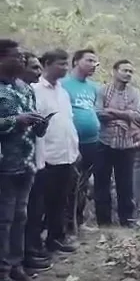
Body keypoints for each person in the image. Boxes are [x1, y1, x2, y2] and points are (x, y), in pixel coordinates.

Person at [0, 39, 49, 281]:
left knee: (20, 216)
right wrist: (15, 120)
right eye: (16, 56)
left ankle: (16, 266)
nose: (22, 60)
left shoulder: (24, 87)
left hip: (26, 163)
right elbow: (14, 121)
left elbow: (32, 119)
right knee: (4, 220)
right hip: (4, 165)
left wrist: (40, 124)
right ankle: (2, 274)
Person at [28, 49, 78, 267]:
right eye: (61, 64)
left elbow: (67, 121)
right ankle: (34, 247)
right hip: (46, 156)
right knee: (39, 205)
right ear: (47, 63)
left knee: (60, 200)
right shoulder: (35, 90)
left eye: (66, 64)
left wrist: (74, 148)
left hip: (67, 153)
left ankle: (55, 238)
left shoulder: (63, 92)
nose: (65, 68)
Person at [94, 59, 140, 227]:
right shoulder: (103, 90)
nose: (128, 74)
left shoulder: (135, 93)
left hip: (126, 144)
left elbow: (137, 116)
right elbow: (99, 113)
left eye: (130, 71)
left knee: (125, 184)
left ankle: (126, 220)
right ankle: (104, 222)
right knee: (102, 183)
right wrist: (125, 115)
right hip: (104, 142)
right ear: (115, 71)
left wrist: (112, 112)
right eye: (125, 70)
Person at [61, 49, 101, 234]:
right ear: (76, 61)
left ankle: (79, 220)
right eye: (89, 60)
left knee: (83, 183)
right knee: (68, 183)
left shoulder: (94, 87)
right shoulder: (63, 84)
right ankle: (64, 224)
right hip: (69, 142)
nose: (94, 65)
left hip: (91, 142)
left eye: (96, 62)